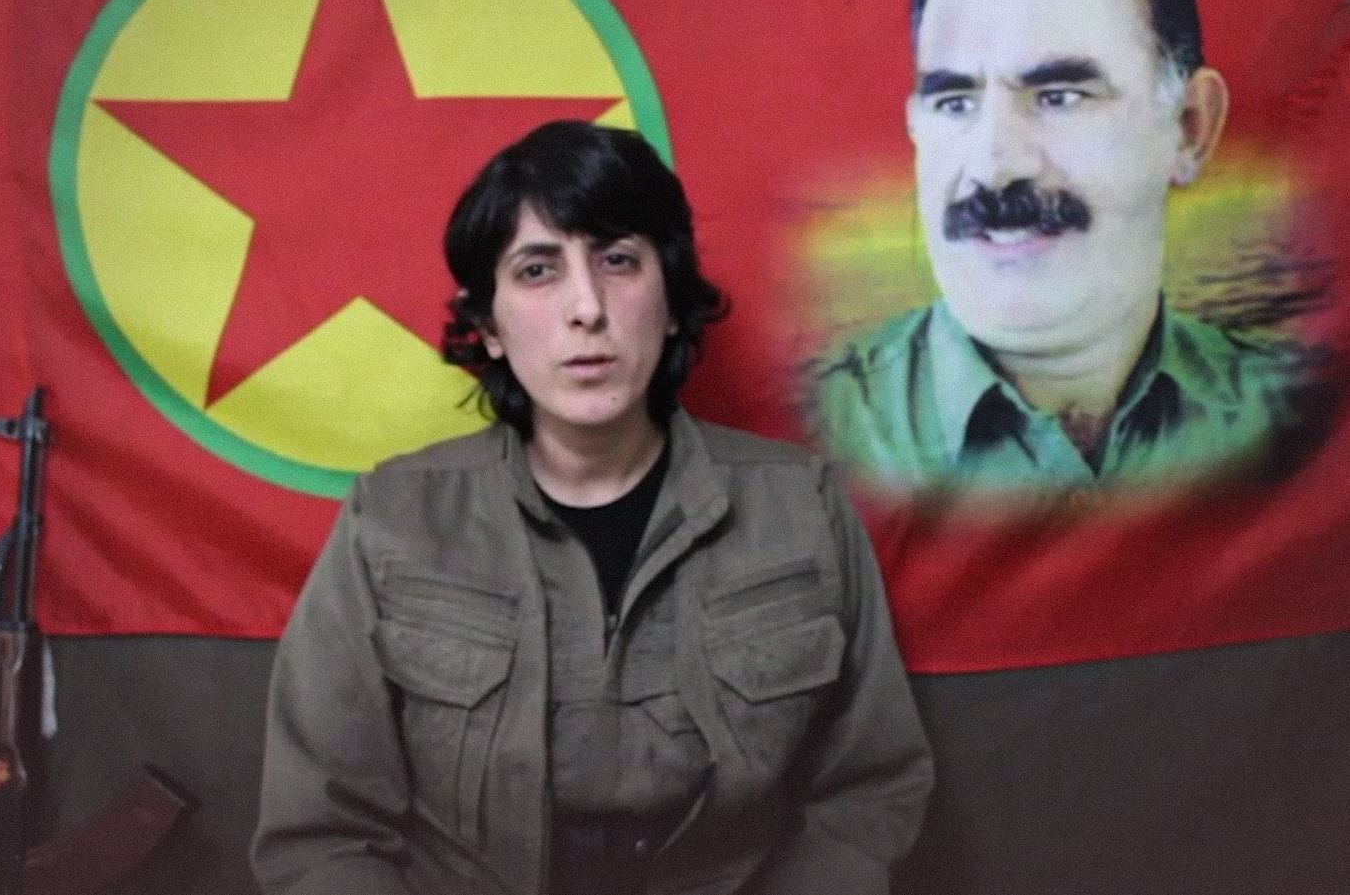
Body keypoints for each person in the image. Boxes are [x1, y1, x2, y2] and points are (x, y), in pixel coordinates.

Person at [252, 121, 933, 895]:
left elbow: (868, 793)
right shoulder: (391, 520)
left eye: (617, 260)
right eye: (538, 270)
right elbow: (323, 835)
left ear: (671, 303)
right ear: (490, 328)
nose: (587, 307)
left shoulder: (803, 506)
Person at [811, 0, 1305, 490]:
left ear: (1189, 128)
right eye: (955, 103)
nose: (994, 169)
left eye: (1059, 97)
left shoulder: (1306, 419)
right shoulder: (813, 438)